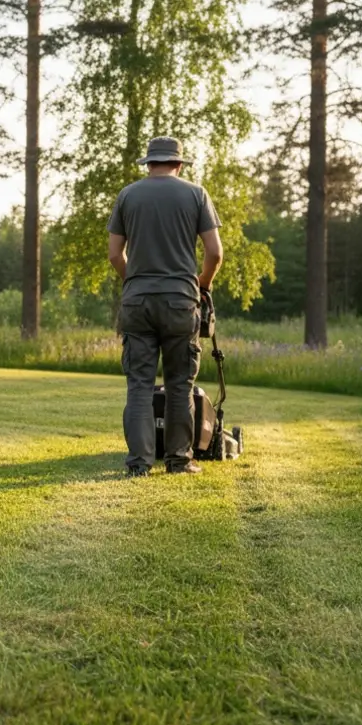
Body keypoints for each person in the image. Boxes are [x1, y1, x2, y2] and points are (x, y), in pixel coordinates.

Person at [107, 137, 224, 477]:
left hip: (137, 302)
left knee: (139, 386)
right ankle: (178, 461)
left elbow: (115, 255)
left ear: (149, 163)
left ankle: (139, 464)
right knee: (179, 385)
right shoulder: (196, 194)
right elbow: (215, 253)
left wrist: (135, 281)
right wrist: (201, 284)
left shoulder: (127, 195)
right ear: (179, 164)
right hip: (180, 302)